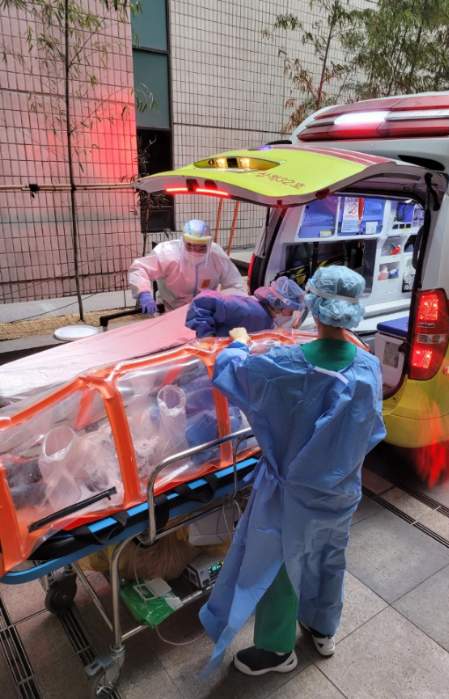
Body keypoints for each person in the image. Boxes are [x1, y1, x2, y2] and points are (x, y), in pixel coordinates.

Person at [199, 265, 386, 675]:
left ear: (313, 308)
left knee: (279, 565)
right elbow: (370, 428)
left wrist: (239, 343)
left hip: (291, 495)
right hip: (340, 491)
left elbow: (233, 372)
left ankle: (276, 650)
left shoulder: (286, 365)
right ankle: (322, 628)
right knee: (328, 556)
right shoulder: (368, 366)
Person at [128, 219, 244, 313]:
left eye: (202, 247)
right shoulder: (167, 253)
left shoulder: (216, 255)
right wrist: (143, 292)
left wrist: (230, 303)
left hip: (206, 312)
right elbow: (140, 268)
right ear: (183, 241)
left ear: (209, 243)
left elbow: (234, 283)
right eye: (191, 245)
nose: (196, 250)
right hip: (172, 310)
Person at [185, 276, 305, 338]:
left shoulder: (265, 317)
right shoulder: (250, 310)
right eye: (291, 311)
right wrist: (207, 337)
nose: (290, 315)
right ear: (280, 304)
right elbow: (203, 301)